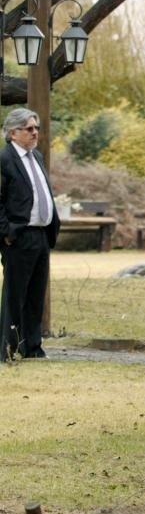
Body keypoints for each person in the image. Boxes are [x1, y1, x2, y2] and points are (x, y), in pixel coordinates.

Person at [0, 108, 60, 361]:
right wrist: (7, 232)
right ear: (13, 133)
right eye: (29, 128)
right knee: (15, 295)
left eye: (36, 128)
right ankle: (7, 348)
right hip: (18, 236)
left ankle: (32, 348)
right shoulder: (4, 159)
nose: (35, 132)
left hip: (41, 235)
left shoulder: (36, 156)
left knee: (36, 295)